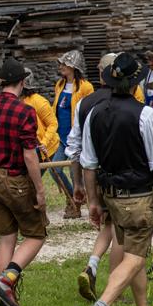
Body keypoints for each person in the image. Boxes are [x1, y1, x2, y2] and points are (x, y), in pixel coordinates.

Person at [79, 52, 153, 306]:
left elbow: (89, 164)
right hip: (138, 198)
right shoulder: (145, 115)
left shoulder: (94, 113)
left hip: (110, 196)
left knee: (134, 256)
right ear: (136, 83)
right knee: (135, 258)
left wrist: (94, 202)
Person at [0, 58, 47, 306]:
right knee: (36, 234)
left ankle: (7, 301)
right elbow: (29, 155)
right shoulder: (25, 111)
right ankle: (6, 280)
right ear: (22, 82)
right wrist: (39, 189)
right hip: (15, 178)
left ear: (1, 81)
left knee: (7, 237)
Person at [66, 53, 125, 302]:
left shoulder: (84, 103)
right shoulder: (125, 101)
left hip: (93, 175)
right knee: (120, 230)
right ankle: (115, 289)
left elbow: (74, 146)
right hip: (120, 175)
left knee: (109, 223)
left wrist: (78, 183)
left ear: (100, 72)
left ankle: (91, 265)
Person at [52, 50, 94, 219]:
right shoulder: (59, 84)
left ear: (73, 67)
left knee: (74, 172)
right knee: (55, 169)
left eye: (65, 64)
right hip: (61, 136)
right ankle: (72, 196)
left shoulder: (86, 87)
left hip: (76, 136)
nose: (61, 66)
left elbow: (88, 111)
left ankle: (77, 204)